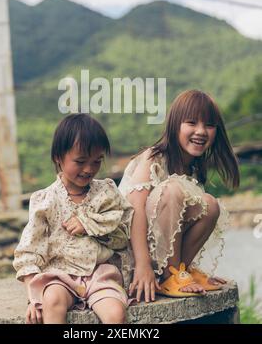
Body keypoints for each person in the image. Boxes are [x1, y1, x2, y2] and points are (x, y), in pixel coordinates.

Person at [118, 89, 239, 303]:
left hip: (157, 255)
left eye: (209, 125)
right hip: (133, 252)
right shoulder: (154, 157)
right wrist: (144, 264)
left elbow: (178, 227)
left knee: (210, 205)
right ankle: (171, 274)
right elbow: (133, 211)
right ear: (175, 125)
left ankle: (180, 272)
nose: (201, 131)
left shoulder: (192, 168)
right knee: (173, 189)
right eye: (192, 123)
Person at [13, 113, 134, 324]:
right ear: (58, 158)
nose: (89, 169)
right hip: (60, 276)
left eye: (97, 161)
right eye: (80, 161)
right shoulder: (46, 201)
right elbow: (29, 252)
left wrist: (90, 225)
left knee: (115, 313)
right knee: (52, 300)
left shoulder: (106, 193)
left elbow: (122, 238)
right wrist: (34, 300)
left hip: (100, 274)